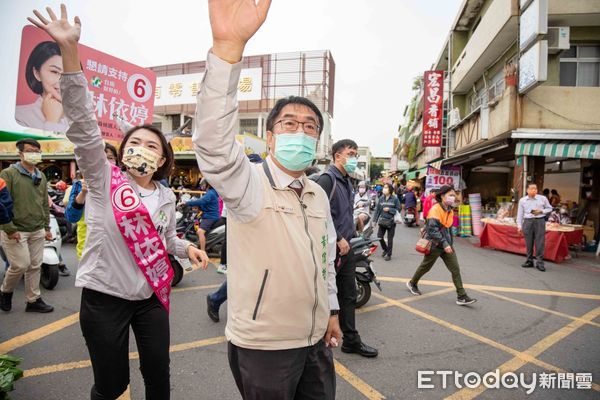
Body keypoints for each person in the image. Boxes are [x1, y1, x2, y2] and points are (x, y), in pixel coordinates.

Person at [28, 6, 210, 399]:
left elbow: (162, 238)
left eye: (151, 146)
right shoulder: (101, 178)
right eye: (133, 143)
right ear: (122, 151)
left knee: (158, 377)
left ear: (162, 160)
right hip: (104, 299)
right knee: (112, 385)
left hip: (150, 298)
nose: (140, 150)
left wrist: (187, 246)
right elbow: (82, 123)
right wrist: (70, 52)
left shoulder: (165, 195)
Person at [194, 1, 342, 397]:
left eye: (310, 126)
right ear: (272, 137)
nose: (301, 130)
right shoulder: (248, 182)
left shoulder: (316, 192)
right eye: (289, 123)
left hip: (316, 341)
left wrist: (331, 310)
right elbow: (212, 145)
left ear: (317, 141)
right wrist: (227, 50)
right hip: (264, 347)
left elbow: (324, 256)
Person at [317, 140, 378, 359]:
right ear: (337, 156)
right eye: (350, 154)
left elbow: (340, 213)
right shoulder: (327, 180)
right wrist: (340, 237)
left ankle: (351, 341)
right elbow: (320, 215)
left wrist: (355, 224)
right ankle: (317, 341)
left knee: (348, 295)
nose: (354, 158)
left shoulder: (347, 181)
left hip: (346, 248)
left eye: (355, 154)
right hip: (331, 249)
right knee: (324, 295)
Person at [206, 154, 265, 323]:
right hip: (241, 232)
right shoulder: (237, 185)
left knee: (255, 273)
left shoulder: (259, 184)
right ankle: (216, 299)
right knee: (245, 273)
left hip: (258, 233)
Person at [0, 138, 54, 313]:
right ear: (20, 153)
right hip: (15, 229)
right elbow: (1, 202)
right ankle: (5, 292)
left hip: (37, 228)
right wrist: (9, 228)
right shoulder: (8, 174)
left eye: (37, 151)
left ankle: (33, 300)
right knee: (20, 265)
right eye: (31, 150)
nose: (35, 154)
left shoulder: (41, 175)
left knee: (35, 266)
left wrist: (46, 227)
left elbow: (44, 203)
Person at [406, 185, 477, 305]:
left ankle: (461, 296)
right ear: (442, 196)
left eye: (454, 195)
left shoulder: (449, 209)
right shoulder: (435, 209)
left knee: (455, 269)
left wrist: (449, 244)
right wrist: (444, 243)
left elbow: (447, 228)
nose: (453, 197)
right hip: (435, 245)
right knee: (426, 266)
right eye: (450, 195)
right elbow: (433, 230)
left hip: (446, 245)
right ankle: (412, 283)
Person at [65, 144, 118, 260]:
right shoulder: (80, 185)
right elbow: (71, 217)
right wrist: (83, 193)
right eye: (101, 158)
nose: (106, 162)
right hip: (88, 244)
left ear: (116, 161)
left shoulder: (123, 185)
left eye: (110, 158)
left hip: (115, 247)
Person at [15, 41, 69, 132]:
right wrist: (52, 122)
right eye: (55, 72)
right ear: (37, 74)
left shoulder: (81, 120)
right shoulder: (20, 116)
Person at [517, 183, 553, 272]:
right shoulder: (522, 200)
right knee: (528, 242)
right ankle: (529, 261)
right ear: (527, 190)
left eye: (535, 189)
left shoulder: (543, 198)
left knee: (540, 242)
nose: (534, 190)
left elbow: (550, 208)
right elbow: (520, 214)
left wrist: (541, 211)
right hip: (528, 222)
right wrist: (519, 226)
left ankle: (540, 262)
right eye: (532, 189)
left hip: (539, 221)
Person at [186, 180, 219, 251]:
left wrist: (187, 203)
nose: (202, 186)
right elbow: (204, 202)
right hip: (209, 215)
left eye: (203, 184)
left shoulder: (210, 193)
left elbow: (201, 201)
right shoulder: (211, 192)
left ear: (207, 185)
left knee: (200, 231)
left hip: (210, 216)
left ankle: (202, 252)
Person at [372, 183, 401, 261]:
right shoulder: (381, 198)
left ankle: (389, 254)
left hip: (391, 222)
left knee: (390, 239)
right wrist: (374, 221)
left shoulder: (395, 199)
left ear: (390, 189)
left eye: (386, 187)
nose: (384, 189)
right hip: (382, 221)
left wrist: (390, 210)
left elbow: (398, 209)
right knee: (379, 237)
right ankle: (385, 249)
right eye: (384, 187)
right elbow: (377, 210)